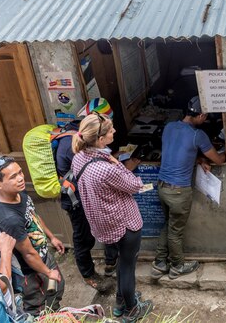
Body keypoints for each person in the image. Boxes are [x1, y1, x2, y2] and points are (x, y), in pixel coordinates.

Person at [72, 113, 153, 323]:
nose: (115, 132)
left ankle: (120, 303)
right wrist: (116, 162)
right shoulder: (106, 168)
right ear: (100, 139)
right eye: (110, 130)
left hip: (104, 223)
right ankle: (132, 310)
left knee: (121, 263)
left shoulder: (79, 157)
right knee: (127, 267)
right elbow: (134, 185)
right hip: (124, 223)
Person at [151, 96, 226, 280]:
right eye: (205, 116)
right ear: (200, 115)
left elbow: (178, 151)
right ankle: (177, 266)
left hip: (162, 186)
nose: (205, 120)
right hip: (178, 191)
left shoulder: (169, 127)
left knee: (168, 225)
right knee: (175, 231)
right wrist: (225, 152)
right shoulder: (197, 135)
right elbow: (219, 160)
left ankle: (159, 263)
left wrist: (199, 159)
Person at [0, 156, 65, 316]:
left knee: (57, 288)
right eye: (13, 177)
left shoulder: (18, 193)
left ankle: (55, 314)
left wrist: (51, 237)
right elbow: (28, 253)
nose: (21, 178)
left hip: (43, 256)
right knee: (37, 306)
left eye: (20, 172)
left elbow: (33, 216)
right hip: (30, 271)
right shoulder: (9, 217)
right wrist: (48, 272)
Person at [55, 98, 117, 293]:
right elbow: (90, 168)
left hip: (85, 196)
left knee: (96, 230)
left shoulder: (77, 133)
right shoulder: (71, 142)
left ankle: (109, 261)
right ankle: (88, 274)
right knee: (83, 237)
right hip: (76, 200)